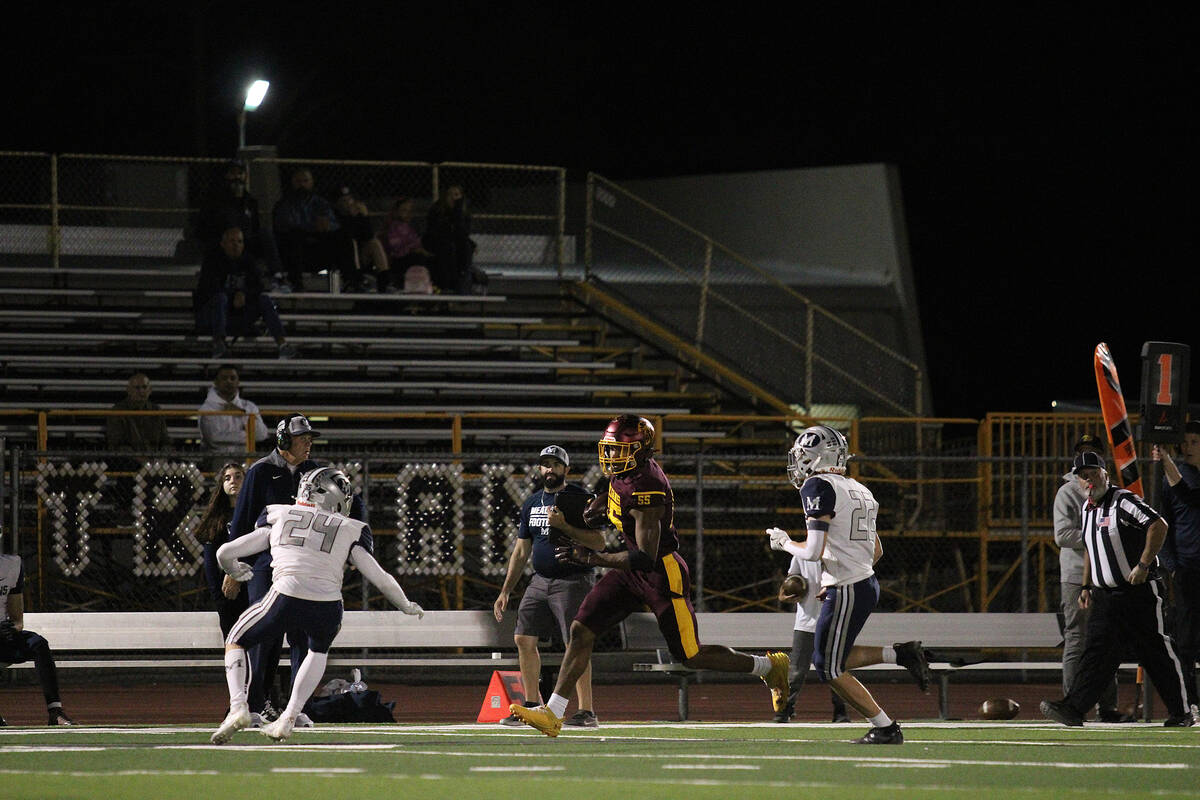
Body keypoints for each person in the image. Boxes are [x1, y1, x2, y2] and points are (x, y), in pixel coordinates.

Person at [507, 415, 789, 737]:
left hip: (659, 573)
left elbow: (644, 557)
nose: (611, 457)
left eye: (617, 450)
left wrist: (592, 557)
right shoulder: (625, 473)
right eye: (609, 449)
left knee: (691, 655)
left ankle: (769, 667)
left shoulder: (648, 487)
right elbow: (617, 498)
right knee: (581, 629)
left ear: (639, 450)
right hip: (630, 571)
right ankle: (554, 713)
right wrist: (596, 509)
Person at [210, 466, 424, 743]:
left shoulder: (278, 513)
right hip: (329, 605)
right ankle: (288, 717)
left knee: (237, 639)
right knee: (317, 650)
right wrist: (405, 604)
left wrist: (234, 569)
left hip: (286, 594)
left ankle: (239, 707)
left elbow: (225, 551)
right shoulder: (351, 528)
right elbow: (380, 578)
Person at [758, 425, 907, 744]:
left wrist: (783, 542)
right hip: (861, 582)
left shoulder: (817, 485)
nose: (797, 463)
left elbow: (812, 550)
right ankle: (893, 677)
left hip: (849, 585)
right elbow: (876, 550)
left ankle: (885, 726)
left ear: (815, 457)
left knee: (828, 664)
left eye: (801, 456)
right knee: (830, 661)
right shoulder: (859, 489)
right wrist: (841, 575)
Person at [1040, 450, 1194, 727]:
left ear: (1105, 474)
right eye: (1083, 477)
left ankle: (1181, 711)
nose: (1089, 480)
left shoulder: (1122, 500)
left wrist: (1144, 564)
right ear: (1077, 482)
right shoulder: (1088, 509)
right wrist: (1087, 584)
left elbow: (1158, 524)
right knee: (1096, 652)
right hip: (1106, 595)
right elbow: (1090, 547)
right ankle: (1074, 708)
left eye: (1093, 474)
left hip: (1138, 593)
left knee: (1156, 652)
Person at [228, 413, 365, 723]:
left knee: (303, 634)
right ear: (283, 440)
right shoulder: (260, 472)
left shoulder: (317, 472)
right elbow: (243, 522)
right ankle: (255, 703)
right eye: (302, 438)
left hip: (308, 563)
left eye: (310, 438)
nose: (308, 444)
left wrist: (354, 549)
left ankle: (295, 707)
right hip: (266, 564)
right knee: (264, 635)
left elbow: (352, 502)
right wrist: (234, 567)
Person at [765, 537, 934, 724]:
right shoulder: (802, 552)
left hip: (833, 615)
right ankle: (785, 710)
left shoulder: (841, 552)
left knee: (835, 665)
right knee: (800, 668)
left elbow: (877, 551)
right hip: (807, 620)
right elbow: (789, 582)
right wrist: (786, 594)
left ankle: (841, 710)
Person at [493, 445, 598, 729]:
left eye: (555, 464)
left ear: (566, 468)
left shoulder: (580, 498)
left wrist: (564, 526)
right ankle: (530, 706)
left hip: (574, 580)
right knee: (523, 639)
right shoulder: (532, 502)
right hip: (539, 580)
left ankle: (586, 710)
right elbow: (520, 551)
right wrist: (505, 590)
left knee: (575, 644)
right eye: (545, 465)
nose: (549, 469)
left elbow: (598, 542)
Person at [1053, 432, 1124, 722]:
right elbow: (1062, 535)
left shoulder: (1109, 490)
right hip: (1075, 576)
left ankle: (1107, 707)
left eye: (1093, 452)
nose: (1087, 457)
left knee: (1105, 641)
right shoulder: (1067, 492)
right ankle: (1072, 705)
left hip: (1106, 574)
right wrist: (1097, 534)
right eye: (1082, 452)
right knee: (1077, 641)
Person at [194, 227, 298, 360]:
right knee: (221, 298)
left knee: (264, 299)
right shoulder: (212, 261)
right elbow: (208, 288)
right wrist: (234, 296)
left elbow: (258, 287)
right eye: (232, 241)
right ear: (223, 244)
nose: (236, 245)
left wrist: (244, 294)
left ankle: (283, 345)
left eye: (239, 241)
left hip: (236, 313)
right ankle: (218, 344)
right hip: (213, 315)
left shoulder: (248, 261)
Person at [1154, 420, 1200, 713]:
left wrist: (1167, 462)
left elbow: (1190, 497)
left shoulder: (1183, 478)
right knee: (1185, 640)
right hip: (1187, 569)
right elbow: (1163, 522)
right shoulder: (1174, 477)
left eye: (1196, 442)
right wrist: (1171, 565)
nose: (1189, 448)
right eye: (1186, 442)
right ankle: (1192, 701)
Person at [0, 554, 75, 725]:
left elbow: (18, 619)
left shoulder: (12, 565)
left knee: (38, 644)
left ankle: (55, 712)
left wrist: (10, 629)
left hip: (2, 637)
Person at [196, 160, 284, 292]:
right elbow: (206, 225)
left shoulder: (250, 201)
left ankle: (277, 277)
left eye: (240, 173)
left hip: (244, 241)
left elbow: (255, 226)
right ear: (226, 176)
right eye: (233, 173)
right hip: (223, 242)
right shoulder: (215, 199)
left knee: (266, 233)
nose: (237, 177)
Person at [273, 168, 352, 292]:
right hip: (297, 250)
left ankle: (351, 281)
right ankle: (296, 284)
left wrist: (327, 227)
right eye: (298, 181)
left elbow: (332, 223)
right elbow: (287, 225)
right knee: (294, 235)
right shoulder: (285, 204)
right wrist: (312, 226)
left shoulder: (320, 203)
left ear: (312, 182)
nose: (302, 184)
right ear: (293, 183)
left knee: (342, 236)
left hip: (320, 247)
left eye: (305, 181)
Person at [195, 462, 249, 638]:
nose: (233, 481)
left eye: (238, 476)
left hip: (251, 585)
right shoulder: (216, 518)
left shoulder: (255, 513)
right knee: (232, 636)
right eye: (227, 478)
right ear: (222, 485)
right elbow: (210, 562)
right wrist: (218, 595)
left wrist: (239, 577)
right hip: (226, 591)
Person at [198, 365, 271, 457]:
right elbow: (214, 439)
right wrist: (248, 436)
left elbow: (261, 435)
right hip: (216, 460)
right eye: (224, 378)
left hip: (245, 459)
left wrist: (242, 414)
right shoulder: (207, 408)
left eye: (233, 378)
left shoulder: (249, 407)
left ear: (238, 382)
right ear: (216, 382)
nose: (229, 381)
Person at [424, 184, 479, 294]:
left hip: (456, 243)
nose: (453, 197)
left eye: (456, 195)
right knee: (449, 247)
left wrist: (457, 211)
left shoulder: (463, 213)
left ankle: (463, 283)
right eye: (450, 194)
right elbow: (438, 232)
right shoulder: (437, 210)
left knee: (466, 246)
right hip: (437, 241)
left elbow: (462, 234)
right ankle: (450, 284)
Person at [332, 186, 387, 292]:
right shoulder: (335, 216)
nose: (348, 203)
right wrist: (351, 218)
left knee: (374, 243)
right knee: (352, 242)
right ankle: (356, 281)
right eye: (344, 200)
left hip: (360, 257)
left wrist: (365, 216)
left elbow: (369, 236)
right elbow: (347, 235)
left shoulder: (357, 215)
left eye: (350, 199)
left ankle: (384, 282)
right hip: (343, 258)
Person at [378, 196, 434, 294]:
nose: (408, 213)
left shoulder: (408, 227)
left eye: (409, 211)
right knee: (419, 257)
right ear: (396, 212)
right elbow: (395, 249)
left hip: (409, 257)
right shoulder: (393, 227)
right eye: (404, 210)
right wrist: (413, 249)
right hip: (397, 260)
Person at [105, 372, 171, 451]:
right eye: (137, 388)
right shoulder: (118, 411)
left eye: (144, 387)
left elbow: (165, 440)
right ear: (128, 390)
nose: (141, 391)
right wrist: (141, 460)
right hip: (129, 460)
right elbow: (117, 444)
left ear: (150, 390)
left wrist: (163, 456)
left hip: (154, 459)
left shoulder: (156, 410)